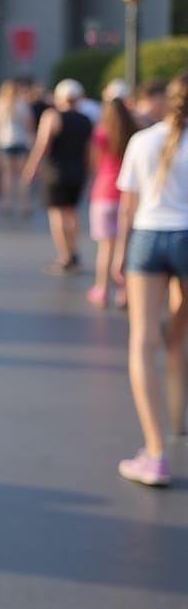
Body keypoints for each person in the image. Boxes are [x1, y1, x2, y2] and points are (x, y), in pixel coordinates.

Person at [112, 73, 188, 487]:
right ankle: (179, 419)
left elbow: (128, 206)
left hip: (148, 236)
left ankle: (155, 452)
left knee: (142, 342)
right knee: (179, 336)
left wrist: (119, 257)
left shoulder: (142, 141)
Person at [22, 78, 93, 274]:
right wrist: (89, 174)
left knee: (57, 215)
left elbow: (42, 145)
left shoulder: (52, 116)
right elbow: (89, 151)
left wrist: (31, 168)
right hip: (78, 172)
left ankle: (64, 256)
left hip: (56, 172)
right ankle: (74, 250)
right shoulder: (85, 120)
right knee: (72, 212)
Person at [86, 83, 137, 308]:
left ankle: (102, 288)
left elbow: (95, 162)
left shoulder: (100, 133)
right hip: (127, 193)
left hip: (104, 192)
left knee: (105, 248)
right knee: (125, 247)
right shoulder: (134, 132)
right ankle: (124, 292)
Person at [0, 77, 34, 215]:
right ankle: (24, 203)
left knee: (6, 175)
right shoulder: (22, 104)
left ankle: (7, 203)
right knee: (21, 175)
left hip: (5, 141)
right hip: (21, 140)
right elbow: (29, 124)